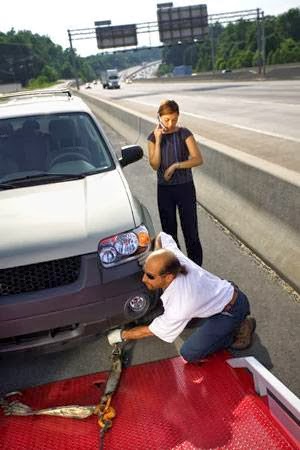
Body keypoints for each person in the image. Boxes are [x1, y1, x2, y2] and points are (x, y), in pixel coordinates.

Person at [107, 232, 256, 363]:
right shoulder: (172, 258)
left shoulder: (180, 305)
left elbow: (151, 330)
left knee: (189, 353)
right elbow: (162, 236)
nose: (144, 279)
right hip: (220, 292)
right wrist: (157, 252)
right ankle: (215, 321)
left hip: (231, 309)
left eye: (150, 276)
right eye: (145, 272)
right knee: (189, 321)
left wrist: (122, 335)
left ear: (168, 277)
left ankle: (239, 328)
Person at [147, 100, 203, 266]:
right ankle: (176, 269)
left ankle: (195, 269)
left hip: (185, 188)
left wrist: (176, 165)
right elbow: (154, 165)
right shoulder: (152, 137)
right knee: (169, 234)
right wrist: (158, 140)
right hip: (164, 191)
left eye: (174, 119)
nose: (171, 123)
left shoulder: (184, 133)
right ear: (159, 118)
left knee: (191, 232)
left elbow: (198, 159)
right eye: (166, 120)